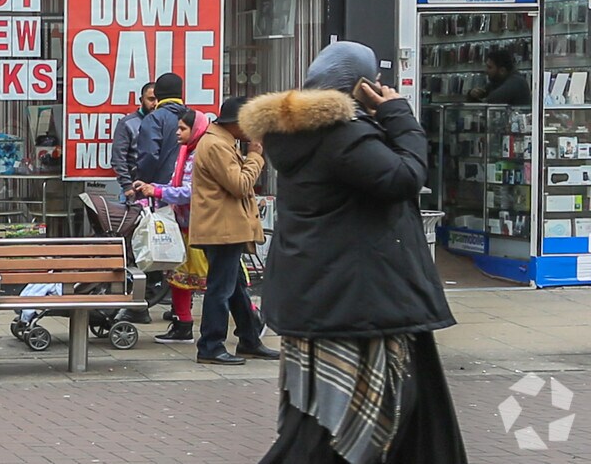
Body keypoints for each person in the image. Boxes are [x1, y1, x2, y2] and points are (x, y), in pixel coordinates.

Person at [242, 41, 466, 464]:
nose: (383, 87)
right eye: (376, 81)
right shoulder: (343, 134)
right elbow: (404, 177)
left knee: (333, 416)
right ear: (360, 86)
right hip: (357, 301)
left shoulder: (301, 134)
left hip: (333, 295)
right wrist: (400, 116)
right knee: (345, 422)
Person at [187, 96, 278, 365]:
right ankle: (210, 346)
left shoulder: (222, 141)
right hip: (222, 229)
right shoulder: (216, 144)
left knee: (235, 286)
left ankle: (249, 339)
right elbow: (239, 184)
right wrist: (255, 158)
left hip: (226, 228)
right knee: (221, 289)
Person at [133, 106, 203, 343]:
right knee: (178, 278)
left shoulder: (201, 154)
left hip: (203, 229)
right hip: (183, 225)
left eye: (183, 128)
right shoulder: (185, 152)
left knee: (221, 282)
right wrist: (150, 191)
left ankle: (251, 319)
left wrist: (158, 190)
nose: (177, 132)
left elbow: (190, 192)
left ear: (196, 130)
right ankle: (183, 324)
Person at [111, 81, 158, 195]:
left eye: (158, 99)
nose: (155, 103)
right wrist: (127, 186)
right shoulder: (127, 123)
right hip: (134, 187)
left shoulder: (165, 123)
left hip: (159, 188)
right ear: (141, 100)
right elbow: (118, 158)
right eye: (151, 99)